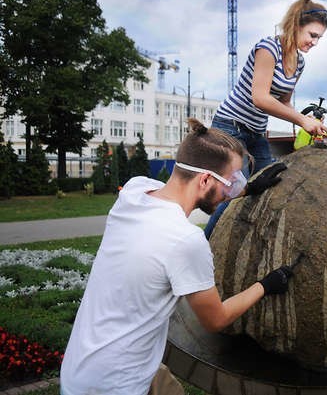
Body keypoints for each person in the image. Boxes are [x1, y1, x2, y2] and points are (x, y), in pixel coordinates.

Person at [60, 118, 294, 395]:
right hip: (115, 385)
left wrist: (248, 190)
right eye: (231, 183)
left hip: (82, 367)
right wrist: (266, 284)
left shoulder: (134, 192)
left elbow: (198, 189)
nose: (231, 191)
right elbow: (215, 320)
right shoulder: (185, 240)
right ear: (205, 179)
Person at [204, 0, 327, 239]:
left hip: (256, 132)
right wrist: (302, 120)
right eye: (312, 35)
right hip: (230, 128)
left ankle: (250, 245)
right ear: (296, 24)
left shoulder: (299, 62)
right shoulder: (268, 48)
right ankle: (205, 250)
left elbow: (283, 103)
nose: (315, 42)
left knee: (270, 185)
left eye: (319, 38)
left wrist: (310, 122)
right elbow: (260, 98)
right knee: (231, 195)